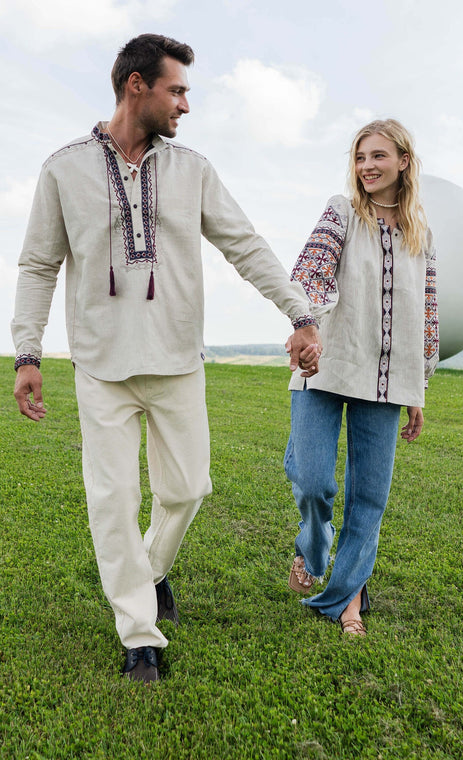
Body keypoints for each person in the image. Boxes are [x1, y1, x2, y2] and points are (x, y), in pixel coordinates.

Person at [11, 34, 321, 683]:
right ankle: (138, 635)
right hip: (101, 365)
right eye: (176, 90)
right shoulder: (63, 169)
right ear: (136, 86)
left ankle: (149, 572)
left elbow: (245, 244)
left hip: (178, 358)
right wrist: (28, 352)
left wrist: (298, 311)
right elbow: (39, 263)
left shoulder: (193, 170)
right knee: (114, 499)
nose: (185, 104)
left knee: (187, 490)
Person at [284, 119, 439, 636]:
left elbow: (427, 316)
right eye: (359, 157)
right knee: (312, 479)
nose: (367, 166)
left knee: (369, 497)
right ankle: (313, 546)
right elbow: (310, 269)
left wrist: (417, 389)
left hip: (389, 379)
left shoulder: (422, 234)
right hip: (325, 363)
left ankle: (348, 597)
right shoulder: (342, 211)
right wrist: (306, 324)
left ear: (403, 161)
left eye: (378, 156)